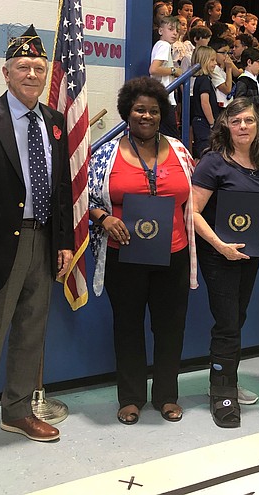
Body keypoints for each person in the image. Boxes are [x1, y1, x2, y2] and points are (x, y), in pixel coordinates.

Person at [0, 25, 73, 471]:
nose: (31, 74)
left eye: (38, 68)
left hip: (44, 239)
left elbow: (61, 187)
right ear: (5, 73)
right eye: (22, 67)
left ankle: (19, 411)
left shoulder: (55, 122)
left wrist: (64, 242)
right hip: (0, 245)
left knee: (31, 329)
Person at [88, 77, 197, 425]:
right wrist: (103, 217)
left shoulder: (180, 152)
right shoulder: (106, 153)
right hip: (126, 257)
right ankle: (131, 397)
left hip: (173, 255)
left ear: (161, 113)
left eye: (153, 110)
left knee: (171, 327)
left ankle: (166, 395)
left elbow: (195, 198)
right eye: (139, 109)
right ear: (127, 112)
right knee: (128, 326)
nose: (146, 116)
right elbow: (86, 200)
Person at [191, 97, 259, 428]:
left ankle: (228, 377)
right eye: (235, 121)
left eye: (248, 121)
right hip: (219, 256)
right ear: (226, 126)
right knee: (227, 324)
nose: (242, 127)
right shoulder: (213, 163)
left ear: (258, 125)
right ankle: (222, 393)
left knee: (237, 319)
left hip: (250, 255)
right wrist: (220, 244)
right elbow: (193, 212)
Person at [150, 15, 183, 138]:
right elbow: (154, 69)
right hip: (164, 96)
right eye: (171, 29)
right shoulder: (164, 45)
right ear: (160, 31)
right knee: (172, 137)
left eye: (177, 31)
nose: (175, 33)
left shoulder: (160, 45)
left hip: (160, 95)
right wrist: (174, 70)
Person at [191, 46, 220, 157]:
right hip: (203, 122)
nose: (215, 63)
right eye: (212, 60)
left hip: (201, 122)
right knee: (205, 152)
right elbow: (205, 102)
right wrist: (212, 122)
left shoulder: (203, 79)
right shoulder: (204, 80)